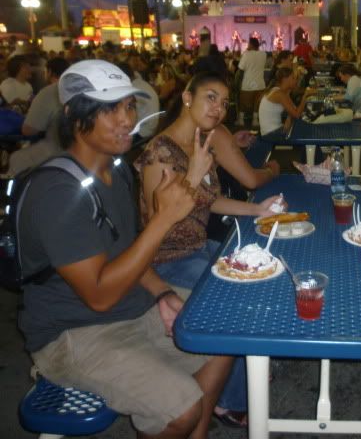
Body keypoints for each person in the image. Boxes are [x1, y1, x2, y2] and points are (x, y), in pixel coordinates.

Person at [17, 59, 233, 438]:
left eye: (128, 106)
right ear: (72, 114)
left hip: (130, 309)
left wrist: (162, 292)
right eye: (106, 109)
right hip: (73, 334)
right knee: (182, 407)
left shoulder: (115, 170)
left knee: (223, 333)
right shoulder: (57, 191)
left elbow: (128, 252)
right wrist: (165, 218)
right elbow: (99, 296)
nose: (124, 119)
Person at [135, 72, 283, 428]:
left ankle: (250, 362)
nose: (218, 108)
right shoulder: (159, 152)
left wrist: (258, 210)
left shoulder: (200, 143)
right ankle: (229, 400)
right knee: (234, 298)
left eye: (224, 102)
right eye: (210, 97)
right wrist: (193, 174)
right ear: (187, 97)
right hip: (166, 259)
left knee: (263, 265)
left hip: (199, 247)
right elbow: (159, 222)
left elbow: (209, 200)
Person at [8, 57, 69, 175]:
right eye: (26, 67)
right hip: (76, 152)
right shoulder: (79, 90)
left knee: (16, 158)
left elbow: (28, 130)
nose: (29, 69)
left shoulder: (48, 92)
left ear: (50, 72)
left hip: (56, 151)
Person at [258, 67, 314, 136]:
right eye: (293, 78)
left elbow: (294, 110)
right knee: (306, 131)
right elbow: (297, 115)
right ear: (285, 79)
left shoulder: (280, 91)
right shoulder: (279, 94)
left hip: (271, 131)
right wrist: (305, 97)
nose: (296, 81)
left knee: (303, 127)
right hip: (271, 134)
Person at [117, 61, 160, 139]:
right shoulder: (142, 83)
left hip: (144, 132)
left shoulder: (131, 90)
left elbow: (128, 119)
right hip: (153, 127)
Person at [238, 37, 267, 127]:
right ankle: (255, 120)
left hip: (248, 83)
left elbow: (241, 69)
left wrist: (238, 82)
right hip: (260, 83)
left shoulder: (246, 54)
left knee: (243, 102)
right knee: (256, 103)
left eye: (248, 44)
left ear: (251, 44)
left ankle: (241, 120)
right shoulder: (264, 54)